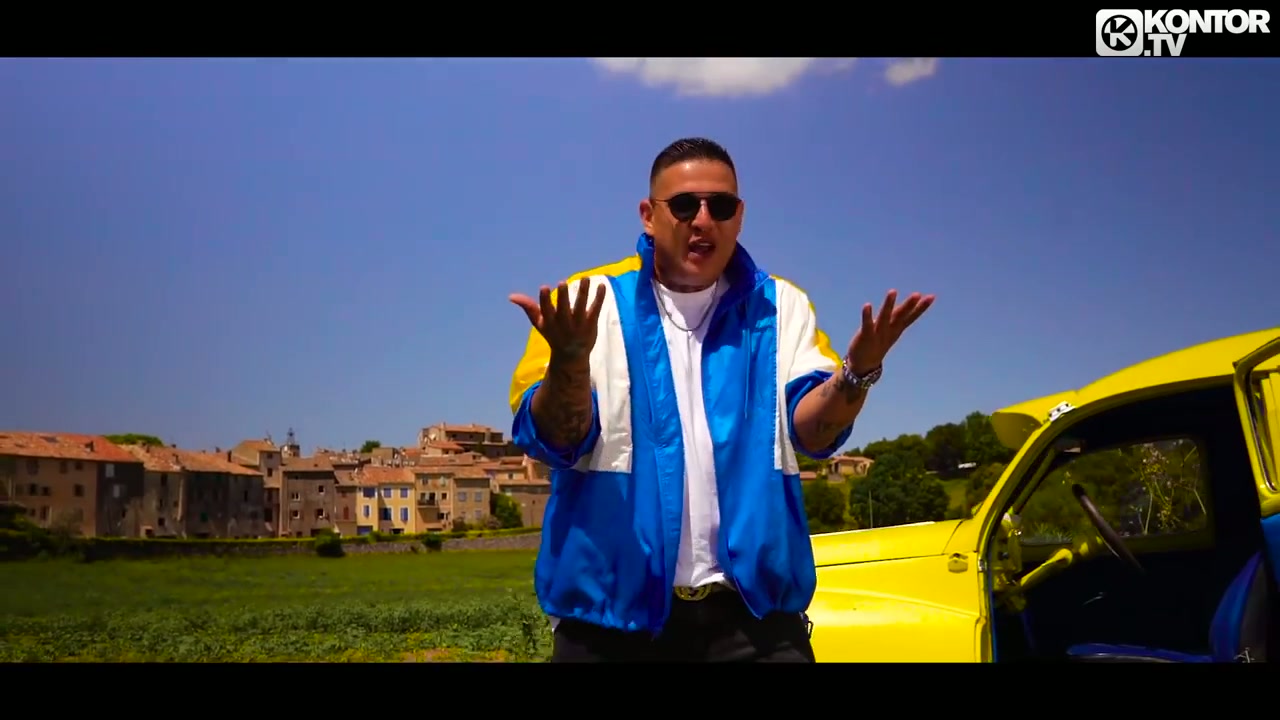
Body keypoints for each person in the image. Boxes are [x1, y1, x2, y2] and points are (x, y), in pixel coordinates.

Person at [506, 137, 934, 662]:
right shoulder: (587, 301)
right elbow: (554, 439)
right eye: (685, 205)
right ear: (649, 215)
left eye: (721, 206)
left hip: (755, 623)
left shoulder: (781, 306)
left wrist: (857, 372)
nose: (703, 220)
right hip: (610, 626)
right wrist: (571, 361)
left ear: (740, 216)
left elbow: (813, 433)